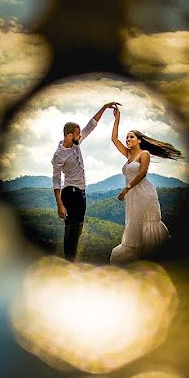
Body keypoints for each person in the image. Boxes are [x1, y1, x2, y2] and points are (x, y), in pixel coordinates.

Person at [108, 105, 183, 264]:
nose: (128, 140)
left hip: (144, 194)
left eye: (131, 137)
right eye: (127, 138)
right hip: (133, 197)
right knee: (135, 225)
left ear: (139, 140)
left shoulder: (144, 154)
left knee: (148, 226)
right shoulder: (128, 154)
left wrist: (125, 190)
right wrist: (116, 119)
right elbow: (114, 139)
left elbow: (142, 174)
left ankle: (157, 261)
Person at [52, 102, 121, 261]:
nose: (80, 136)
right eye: (77, 134)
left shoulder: (76, 144)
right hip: (70, 193)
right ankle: (69, 264)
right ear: (69, 135)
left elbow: (91, 125)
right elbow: (56, 181)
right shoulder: (59, 155)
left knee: (78, 229)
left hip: (81, 193)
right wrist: (59, 205)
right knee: (71, 229)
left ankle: (71, 260)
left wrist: (104, 107)